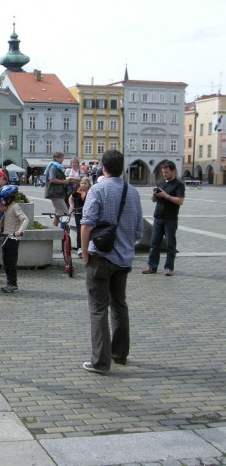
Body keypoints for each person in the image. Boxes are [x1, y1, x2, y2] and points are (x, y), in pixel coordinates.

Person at [80, 149, 143, 374]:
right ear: (121, 167)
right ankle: (120, 354)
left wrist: (85, 253)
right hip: (124, 260)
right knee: (119, 306)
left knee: (98, 309)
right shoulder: (133, 192)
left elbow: (86, 224)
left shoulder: (98, 189)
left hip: (101, 257)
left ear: (103, 168)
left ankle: (100, 362)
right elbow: (138, 231)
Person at [143, 160, 185, 276]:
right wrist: (154, 195)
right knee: (154, 243)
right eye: (163, 172)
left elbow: (180, 201)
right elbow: (154, 200)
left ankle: (169, 268)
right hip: (158, 217)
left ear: (173, 171)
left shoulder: (178, 185)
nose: (164, 174)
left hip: (170, 218)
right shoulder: (162, 183)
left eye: (166, 172)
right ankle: (152, 266)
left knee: (170, 244)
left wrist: (166, 196)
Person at [0, 185, 28, 293]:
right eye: (3, 199)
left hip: (13, 238)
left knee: (11, 262)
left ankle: (13, 284)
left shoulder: (15, 206)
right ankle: (9, 283)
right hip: (6, 238)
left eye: (6, 198)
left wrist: (20, 231)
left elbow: (25, 219)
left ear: (11, 198)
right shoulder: (7, 208)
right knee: (6, 261)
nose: (4, 201)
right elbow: (3, 222)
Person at [45, 152, 78, 227]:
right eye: (61, 158)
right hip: (55, 193)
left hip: (58, 193)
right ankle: (63, 231)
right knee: (65, 212)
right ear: (56, 158)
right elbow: (52, 179)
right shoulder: (53, 167)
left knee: (58, 212)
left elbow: (63, 179)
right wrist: (64, 181)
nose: (63, 159)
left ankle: (55, 230)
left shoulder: (58, 167)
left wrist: (76, 180)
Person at [69, 177, 91, 256]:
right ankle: (80, 247)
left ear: (88, 184)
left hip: (88, 213)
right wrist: (71, 206)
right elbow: (70, 198)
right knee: (79, 229)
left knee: (88, 229)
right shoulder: (77, 192)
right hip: (78, 212)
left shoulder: (91, 192)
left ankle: (88, 247)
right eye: (82, 183)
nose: (83, 185)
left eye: (85, 183)